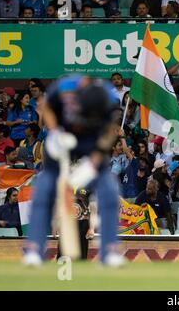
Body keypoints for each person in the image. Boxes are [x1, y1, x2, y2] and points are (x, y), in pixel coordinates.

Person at [23, 76, 124, 267]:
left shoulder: (106, 95)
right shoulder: (63, 89)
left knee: (109, 189)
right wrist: (57, 133)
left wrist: (94, 161)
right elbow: (45, 108)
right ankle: (34, 251)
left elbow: (111, 129)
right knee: (44, 187)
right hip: (63, 141)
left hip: (90, 143)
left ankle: (109, 252)